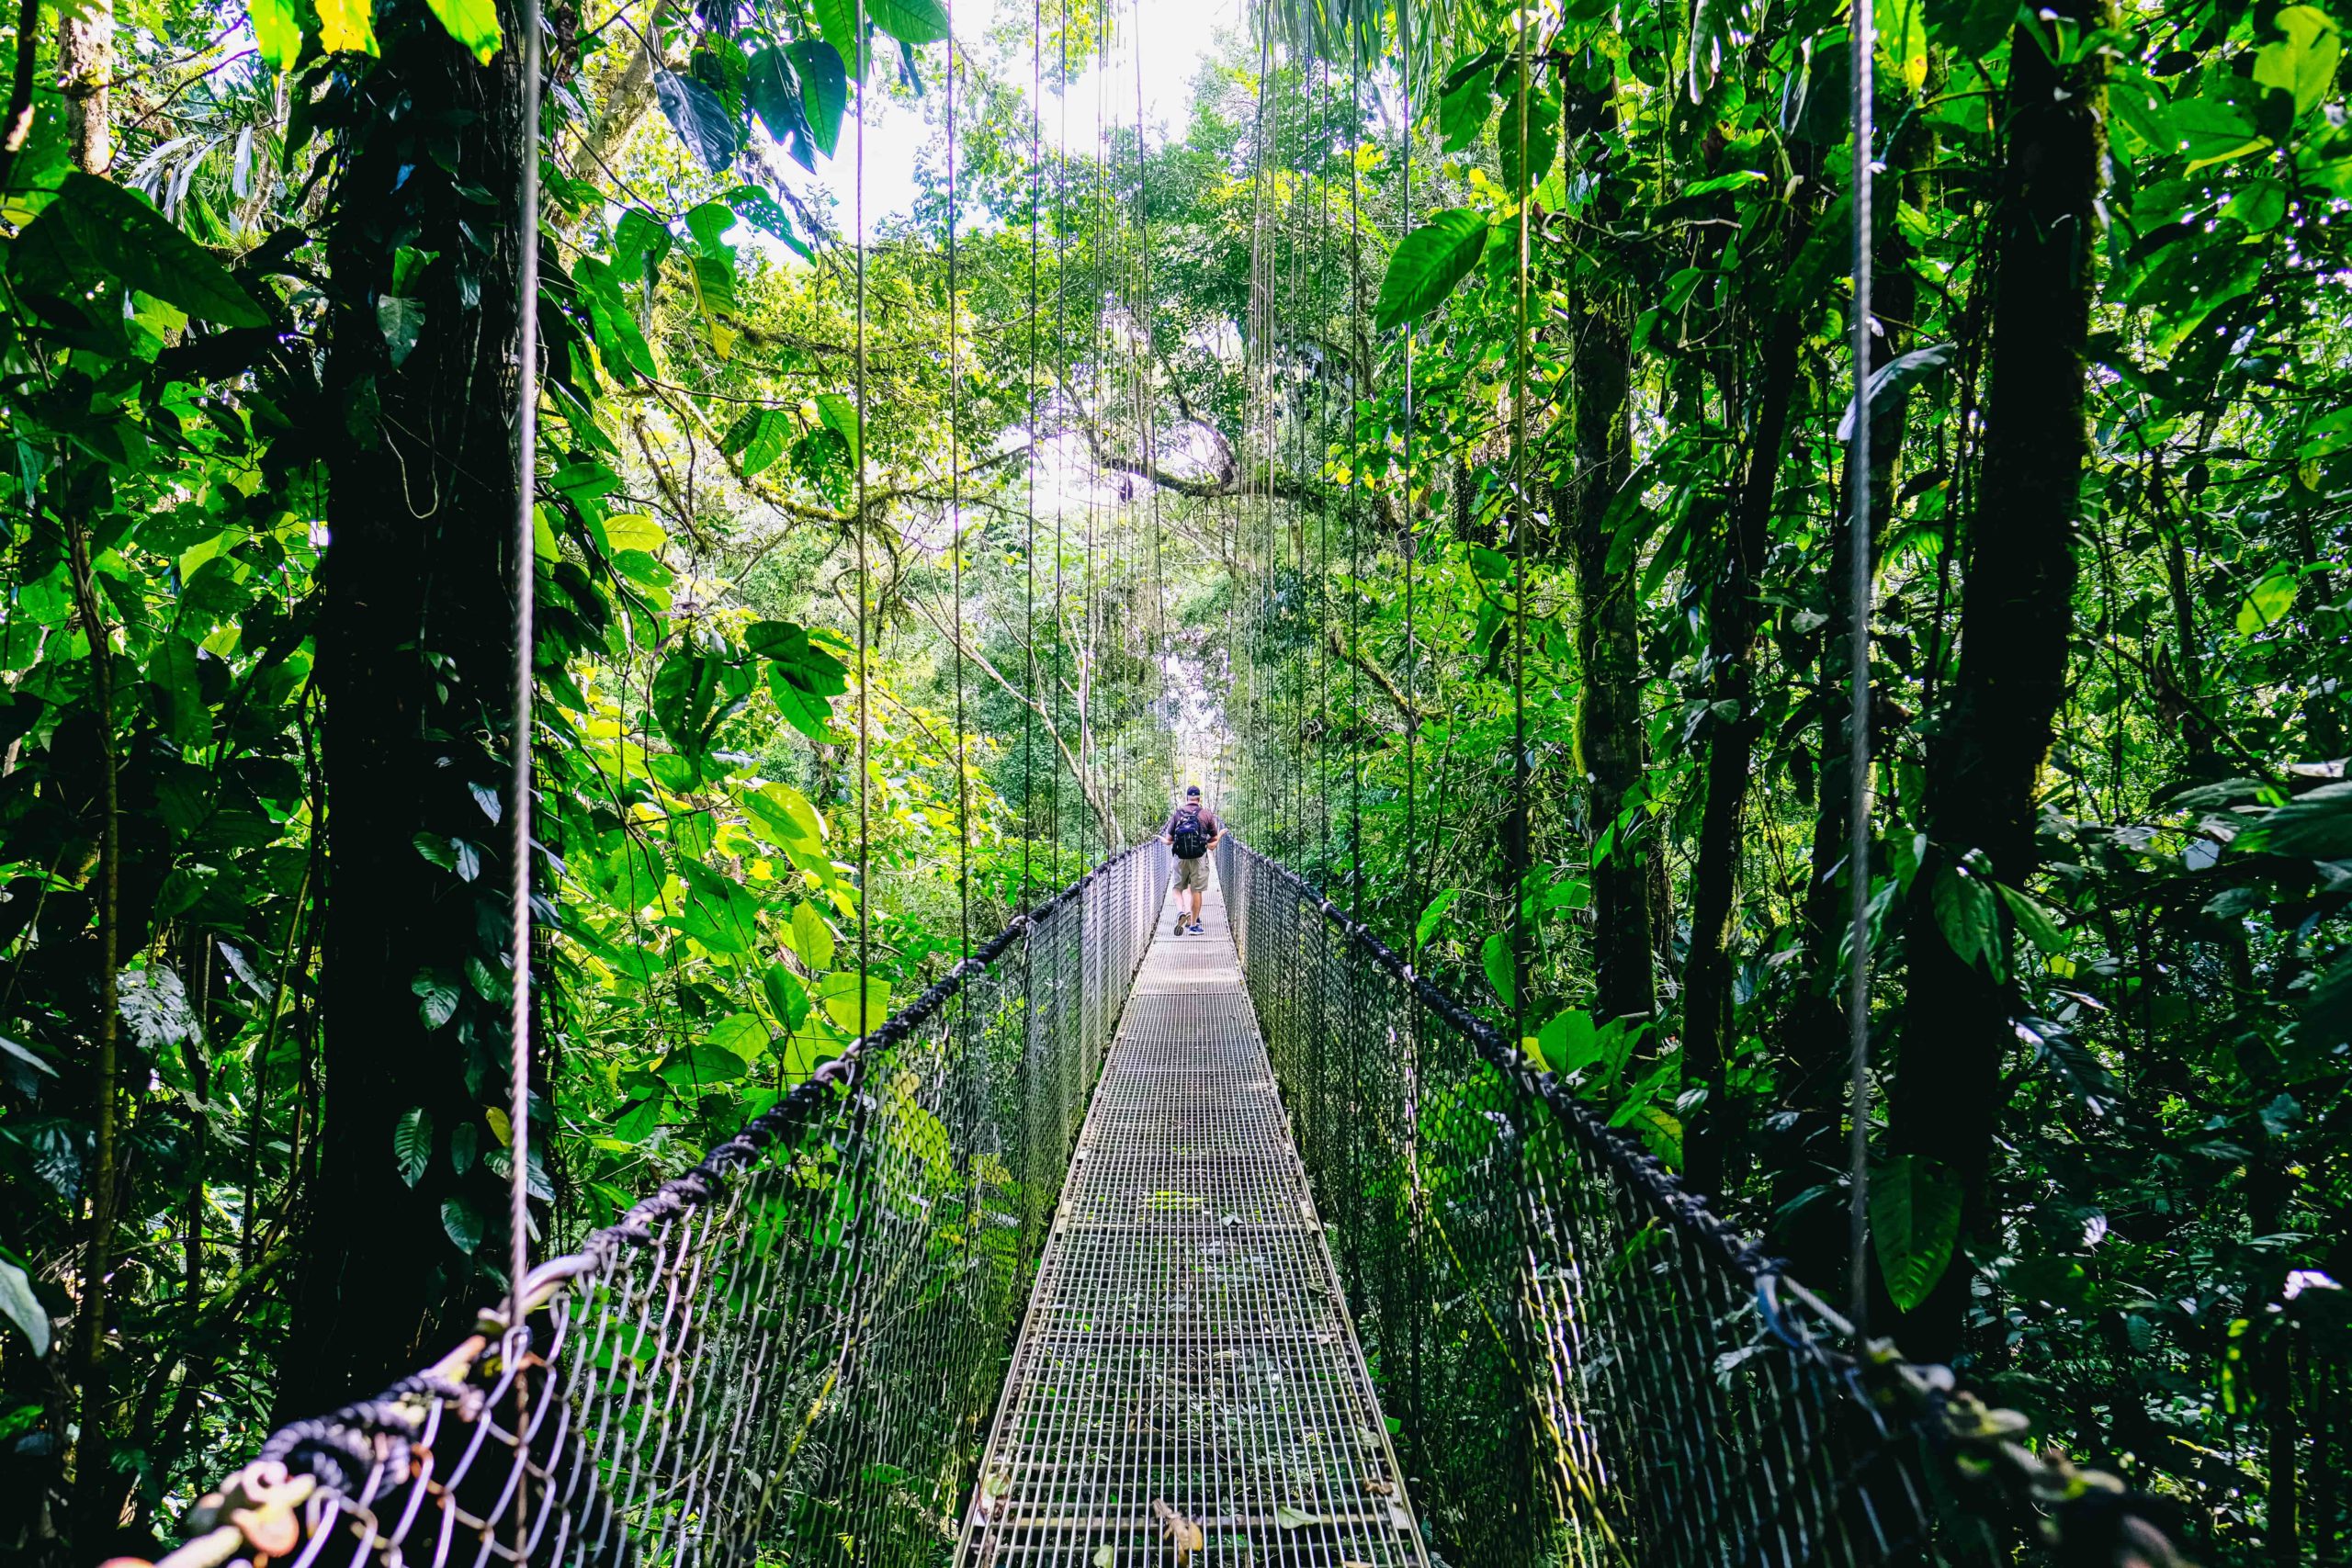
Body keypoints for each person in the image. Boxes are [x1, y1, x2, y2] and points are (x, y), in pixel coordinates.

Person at [1159, 785, 1222, 935]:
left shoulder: (1177, 814)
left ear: (1186, 798)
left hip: (1180, 858)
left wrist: (1163, 840)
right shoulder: (1206, 814)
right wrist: (1219, 837)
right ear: (1199, 799)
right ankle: (1194, 925)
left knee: (1178, 888)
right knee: (1196, 890)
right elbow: (1212, 841)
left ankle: (1181, 911)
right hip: (1198, 857)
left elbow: (1169, 839)